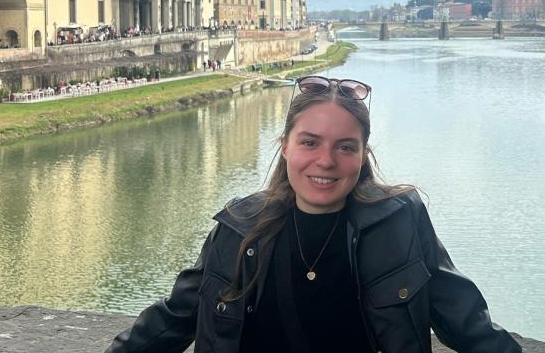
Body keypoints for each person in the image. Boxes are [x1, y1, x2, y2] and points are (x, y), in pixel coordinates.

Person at [106, 75, 520, 353]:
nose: (325, 161)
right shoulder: (238, 227)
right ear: (285, 145)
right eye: (310, 142)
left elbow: (466, 322)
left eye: (345, 146)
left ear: (363, 155)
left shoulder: (400, 221)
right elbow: (175, 318)